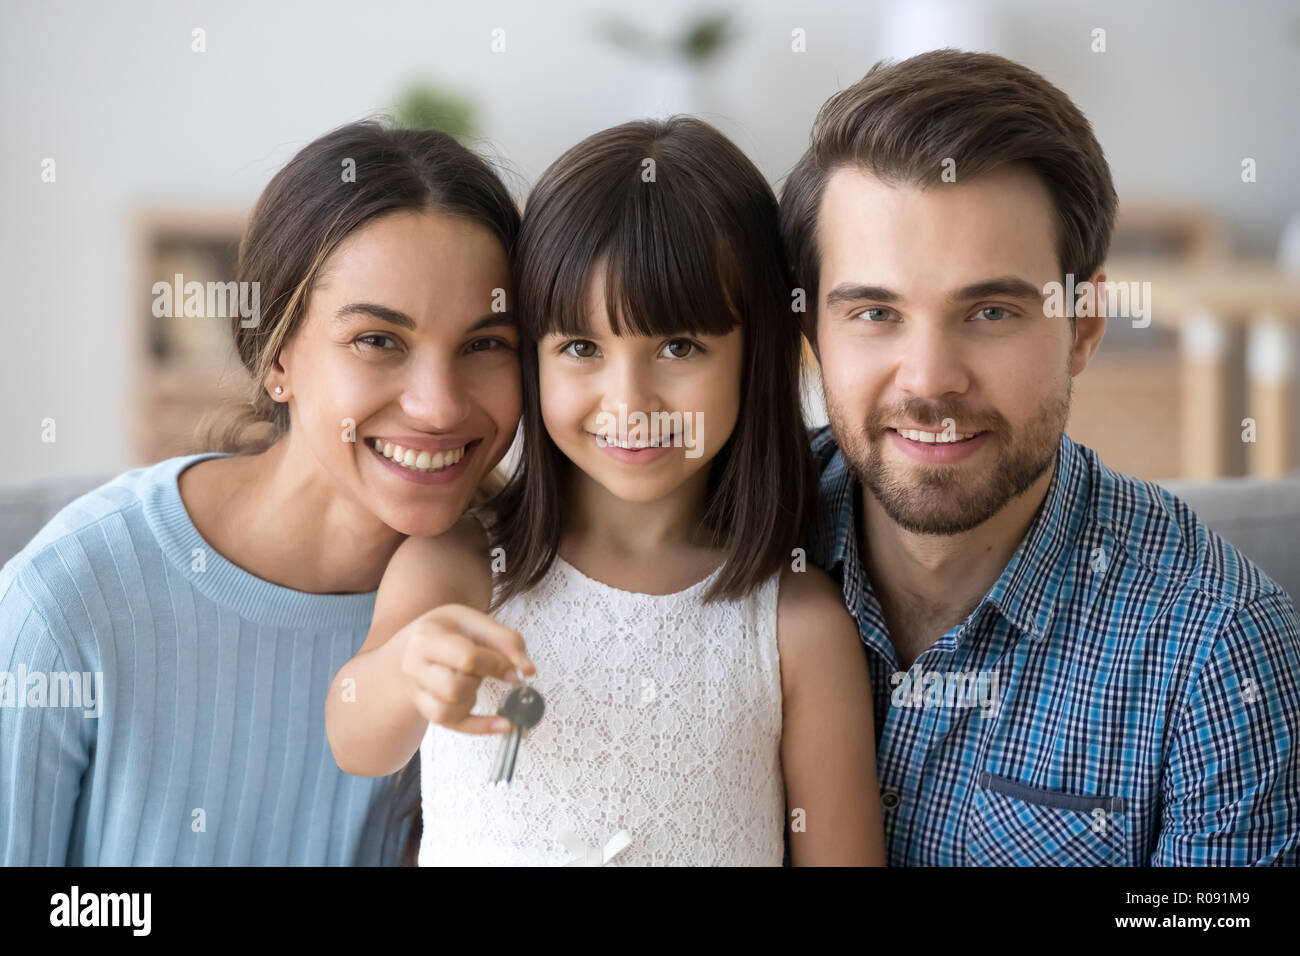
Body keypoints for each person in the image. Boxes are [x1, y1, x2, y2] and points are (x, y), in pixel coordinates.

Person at [780, 48, 1300, 865]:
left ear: (1084, 325)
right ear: (812, 333)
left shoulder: (1217, 660)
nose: (930, 381)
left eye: (990, 310)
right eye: (876, 312)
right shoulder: (716, 551)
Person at [327, 116, 885, 866]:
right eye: (582, 348)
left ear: (760, 355)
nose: (629, 401)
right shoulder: (461, 565)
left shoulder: (799, 625)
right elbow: (357, 738)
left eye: (679, 347)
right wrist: (407, 671)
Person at [0, 120, 523, 865]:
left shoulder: (516, 597)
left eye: (485, 344)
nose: (439, 406)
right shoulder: (67, 601)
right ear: (278, 356)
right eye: (378, 340)